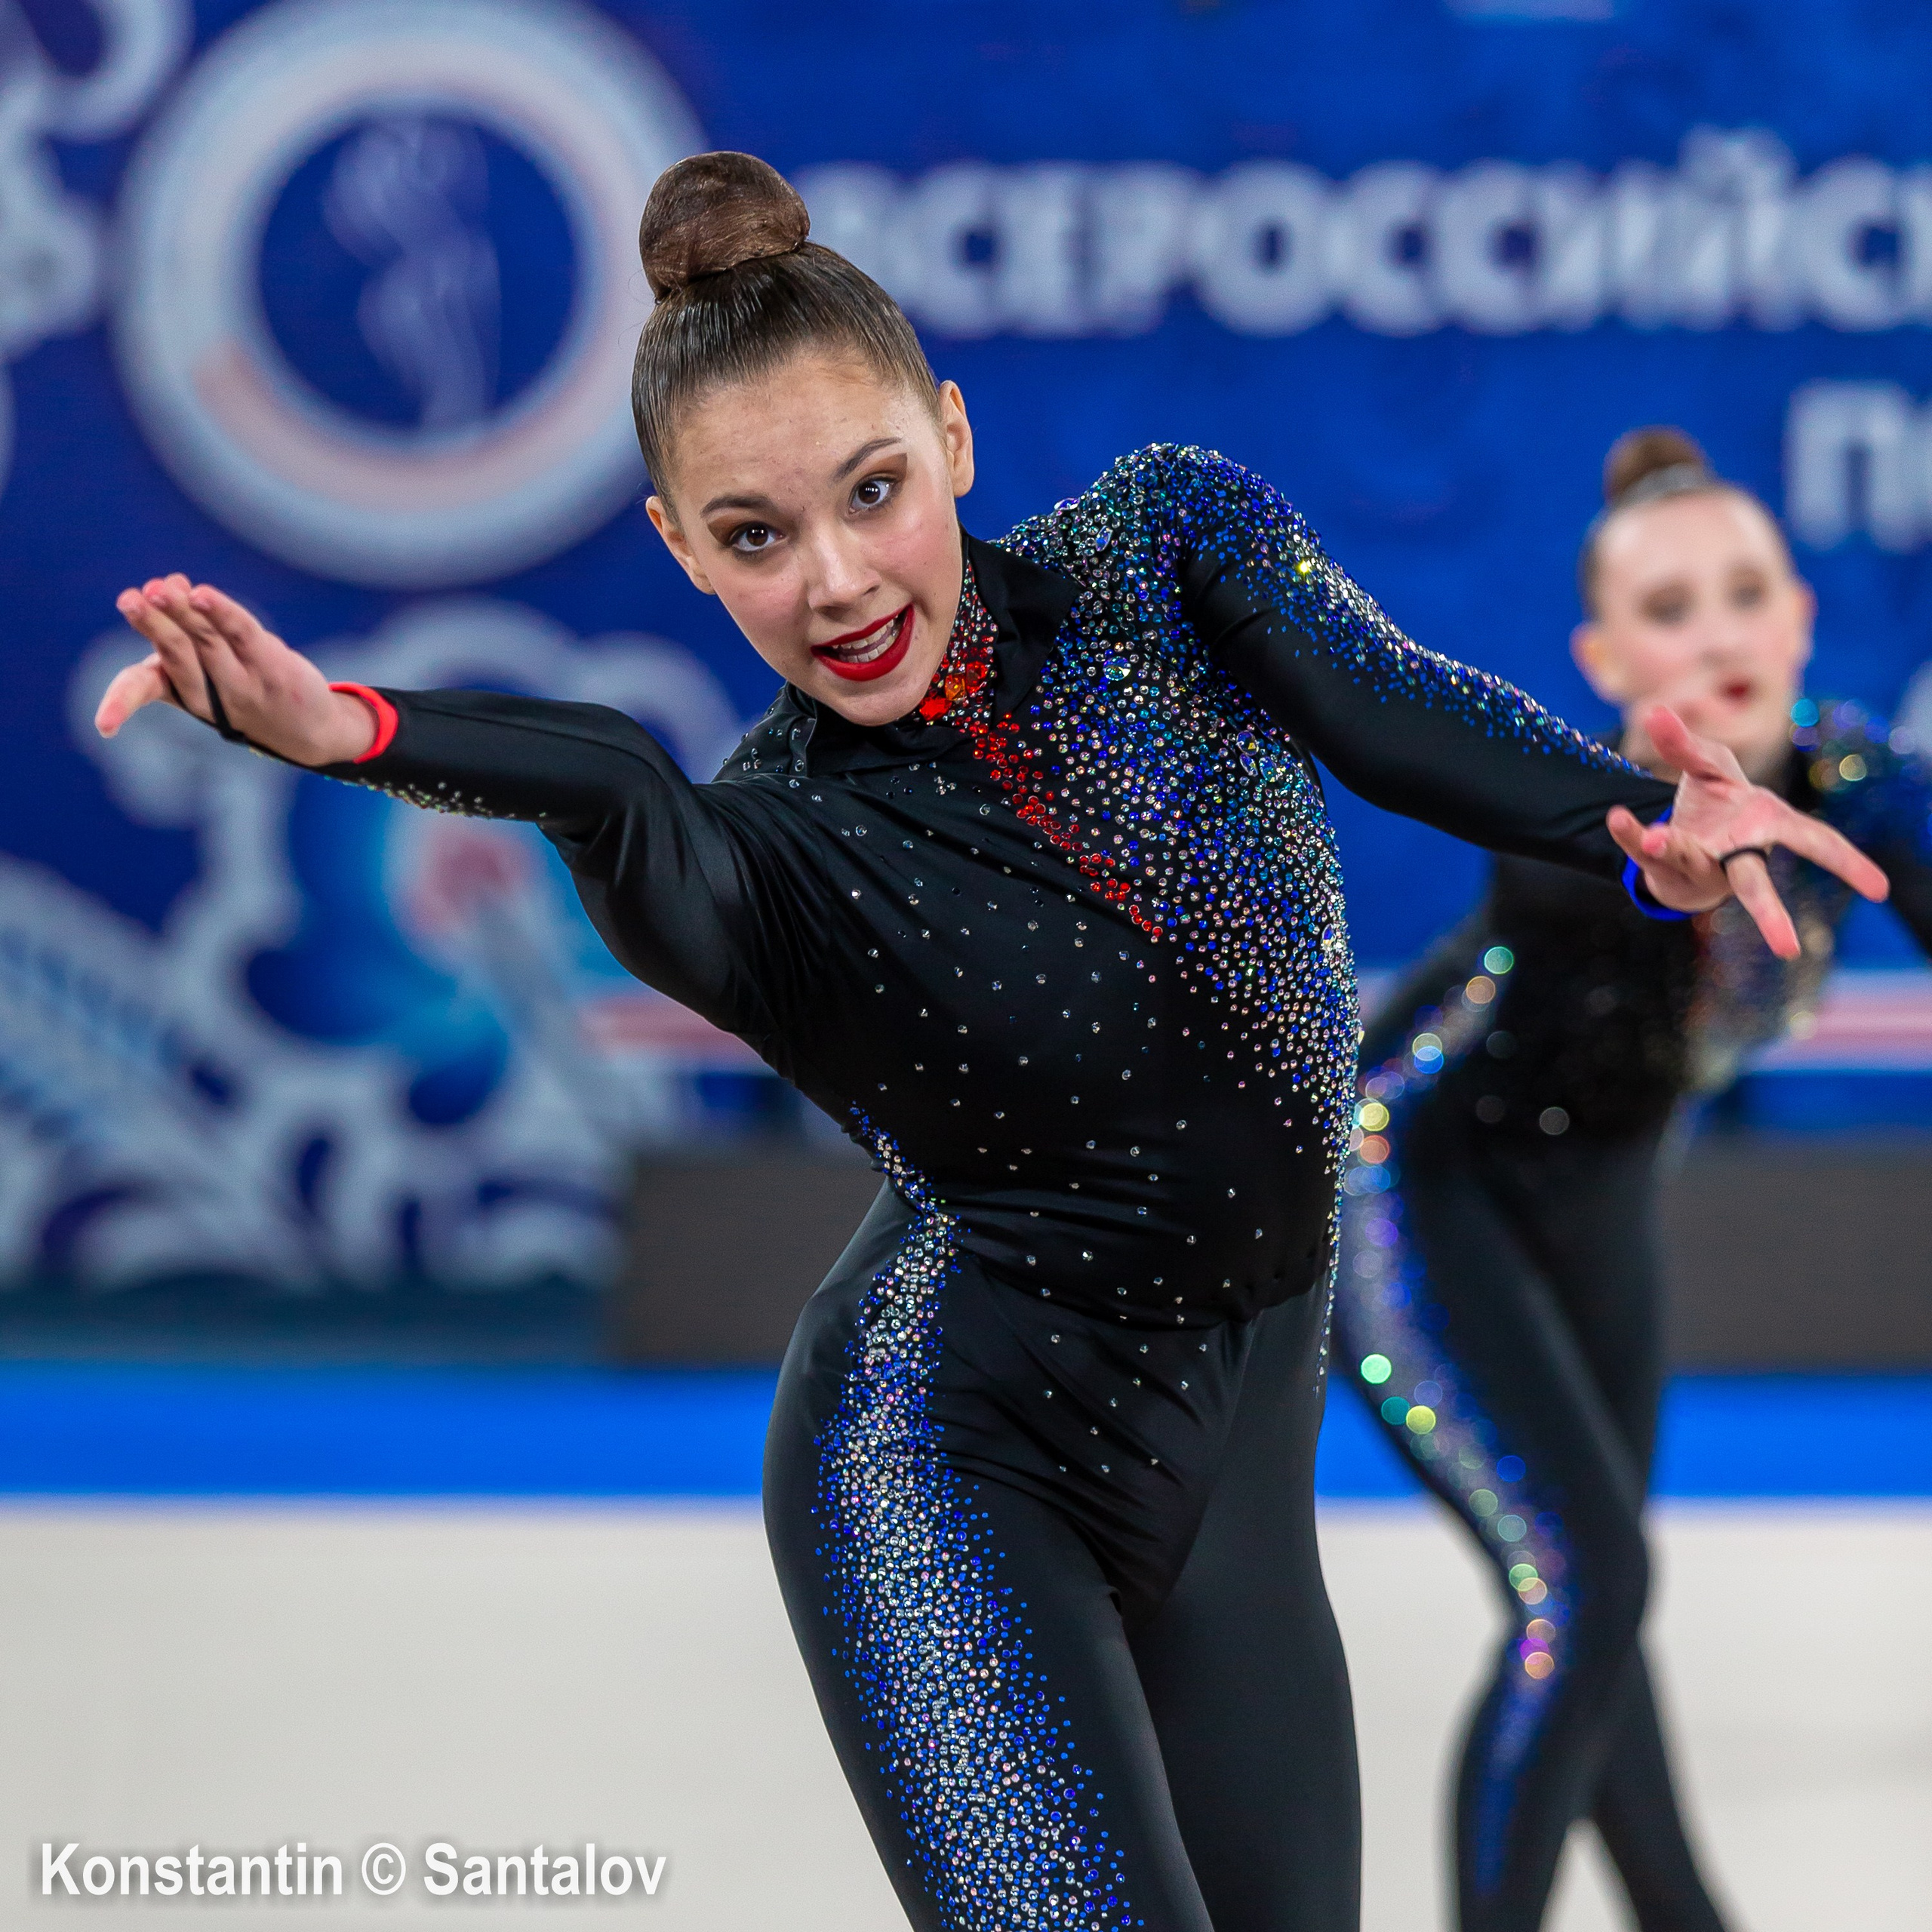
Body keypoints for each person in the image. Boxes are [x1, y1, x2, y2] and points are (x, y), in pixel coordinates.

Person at [96, 158, 1883, 1932]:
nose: (837, 581)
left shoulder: (1166, 545)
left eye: (871, 489)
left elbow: (1386, 701)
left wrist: (1624, 822)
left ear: (949, 435)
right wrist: (352, 726)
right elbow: (612, 782)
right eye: (752, 535)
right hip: (943, 1479)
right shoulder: (759, 858)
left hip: (1238, 1473)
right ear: (677, 545)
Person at [1332, 427, 1932, 1932]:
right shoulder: (1583, 807)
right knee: (1584, 1585)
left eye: (1743, 593)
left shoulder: (1851, 782)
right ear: (1605, 661)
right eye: (1669, 610)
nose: (1717, 633)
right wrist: (1665, 864)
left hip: (1598, 1196)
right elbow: (1580, 883)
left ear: (1798, 618)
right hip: (1408, 1191)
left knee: (1599, 1604)